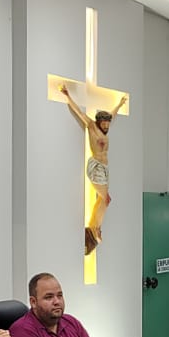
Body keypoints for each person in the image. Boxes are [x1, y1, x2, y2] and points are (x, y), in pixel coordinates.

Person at [59, 82, 127, 255]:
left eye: (108, 124)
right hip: (96, 167)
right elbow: (79, 112)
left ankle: (93, 227)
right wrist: (68, 96)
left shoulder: (106, 129)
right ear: (99, 122)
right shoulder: (91, 126)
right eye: (104, 123)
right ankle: (95, 229)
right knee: (105, 199)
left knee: (102, 200)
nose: (107, 126)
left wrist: (119, 104)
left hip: (104, 168)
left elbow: (113, 114)